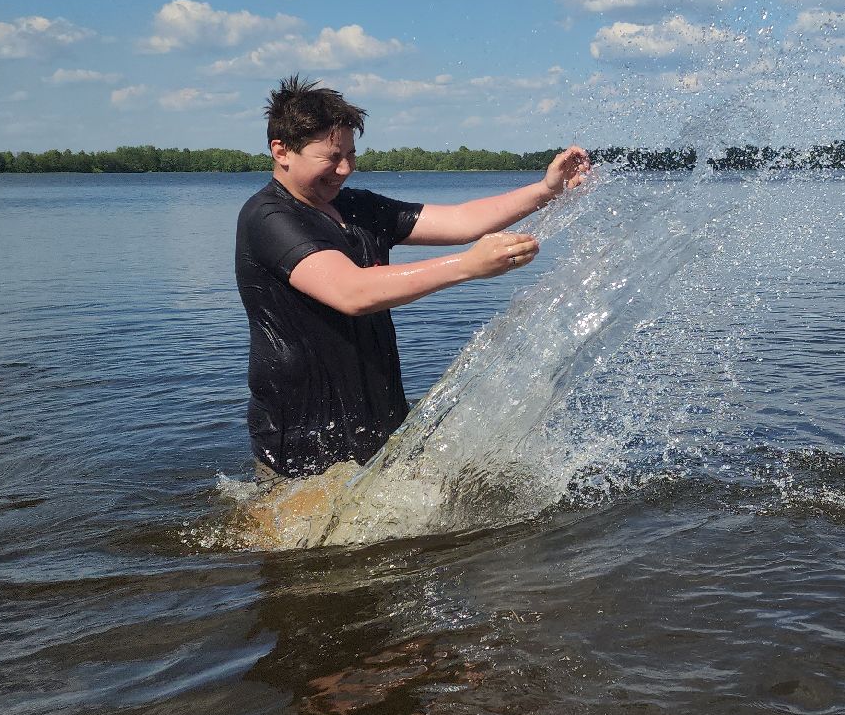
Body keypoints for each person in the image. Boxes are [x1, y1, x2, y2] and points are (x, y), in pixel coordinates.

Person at [235, 75, 589, 478]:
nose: (346, 169)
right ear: (281, 151)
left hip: (375, 416)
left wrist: (546, 190)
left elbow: (462, 220)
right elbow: (351, 291)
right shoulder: (268, 218)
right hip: (300, 430)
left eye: (351, 154)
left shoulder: (356, 208)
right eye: (331, 157)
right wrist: (467, 266)